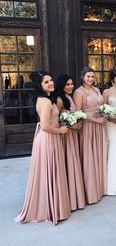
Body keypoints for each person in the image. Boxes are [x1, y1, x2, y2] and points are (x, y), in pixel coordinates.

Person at [15, 71, 71, 225]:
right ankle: (50, 208)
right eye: (46, 82)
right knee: (49, 171)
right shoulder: (45, 101)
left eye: (51, 80)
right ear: (39, 86)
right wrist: (60, 130)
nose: (51, 83)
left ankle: (53, 204)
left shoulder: (46, 98)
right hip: (48, 139)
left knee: (51, 171)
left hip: (49, 138)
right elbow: (46, 126)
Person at [73, 67, 107, 204]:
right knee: (89, 156)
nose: (91, 79)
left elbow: (101, 105)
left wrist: (104, 113)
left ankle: (100, 187)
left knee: (98, 155)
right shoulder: (79, 92)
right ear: (82, 77)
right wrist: (95, 119)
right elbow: (78, 113)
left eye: (92, 76)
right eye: (88, 76)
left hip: (99, 126)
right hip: (88, 126)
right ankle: (90, 191)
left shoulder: (97, 90)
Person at [55, 74, 86, 211]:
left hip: (73, 134)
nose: (70, 86)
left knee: (74, 162)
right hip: (66, 135)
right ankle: (69, 197)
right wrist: (72, 125)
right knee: (68, 162)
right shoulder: (60, 100)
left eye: (72, 84)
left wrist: (78, 122)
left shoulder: (69, 97)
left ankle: (75, 196)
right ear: (62, 86)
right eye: (67, 84)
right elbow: (58, 120)